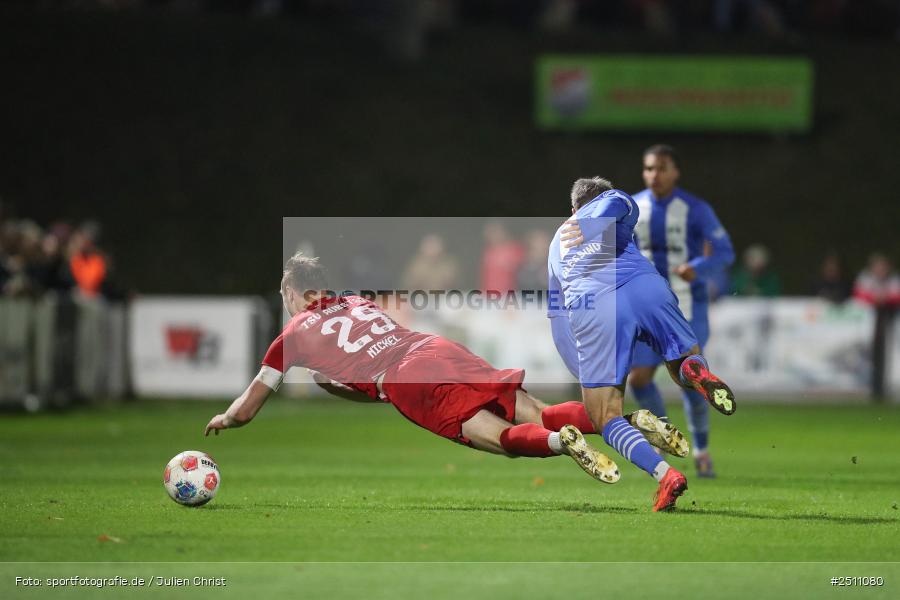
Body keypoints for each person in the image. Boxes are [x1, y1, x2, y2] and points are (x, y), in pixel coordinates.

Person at [205, 252, 690, 492]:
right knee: (540, 411)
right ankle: (629, 422)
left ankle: (567, 444)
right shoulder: (356, 300)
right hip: (435, 348)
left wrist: (228, 419)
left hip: (406, 379)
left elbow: (249, 405)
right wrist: (338, 384)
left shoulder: (290, 336)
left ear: (293, 296)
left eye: (288, 299)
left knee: (501, 438)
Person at [548, 176, 736, 511]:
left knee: (605, 417)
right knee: (683, 360)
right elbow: (622, 201)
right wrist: (599, 220)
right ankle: (696, 372)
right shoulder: (611, 210)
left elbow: (557, 315)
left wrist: (580, 368)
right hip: (645, 288)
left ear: (572, 208)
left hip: (595, 308)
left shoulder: (556, 243)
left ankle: (666, 475)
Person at [626, 144, 735, 478]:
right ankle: (665, 434)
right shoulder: (632, 207)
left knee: (692, 376)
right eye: (648, 169)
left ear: (675, 172)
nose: (654, 175)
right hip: (647, 309)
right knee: (638, 379)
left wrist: (698, 267)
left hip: (688, 306)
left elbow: (724, 251)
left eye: (661, 168)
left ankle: (701, 450)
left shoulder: (695, 209)